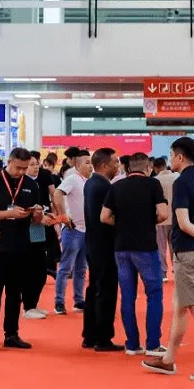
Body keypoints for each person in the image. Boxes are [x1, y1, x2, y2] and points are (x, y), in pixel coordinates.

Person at [141, 137, 194, 382]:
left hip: (188, 253)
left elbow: (184, 222)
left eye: (172, 155)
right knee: (180, 306)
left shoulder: (182, 183)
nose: (171, 159)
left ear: (180, 157)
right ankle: (168, 359)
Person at [101, 153, 168, 356]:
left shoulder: (116, 186)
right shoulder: (153, 184)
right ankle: (153, 344)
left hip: (121, 247)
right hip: (146, 247)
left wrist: (121, 224)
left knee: (127, 296)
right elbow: (163, 213)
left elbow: (104, 217)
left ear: (128, 168)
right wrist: (148, 222)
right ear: (148, 168)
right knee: (154, 294)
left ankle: (132, 344)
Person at [0, 148, 43, 352]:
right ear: (9, 162)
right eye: (18, 168)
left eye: (25, 168)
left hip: (22, 247)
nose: (21, 172)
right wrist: (9, 214)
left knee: (15, 294)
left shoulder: (31, 185)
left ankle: (12, 334)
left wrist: (37, 214)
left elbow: (37, 220)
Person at [81, 148, 122, 351]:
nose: (118, 166)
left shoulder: (91, 183)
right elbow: (107, 217)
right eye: (115, 162)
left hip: (93, 244)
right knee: (105, 290)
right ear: (105, 165)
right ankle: (103, 338)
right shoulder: (104, 187)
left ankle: (90, 335)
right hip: (105, 245)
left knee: (94, 289)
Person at [53, 150, 93, 315]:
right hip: (73, 230)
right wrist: (63, 215)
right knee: (65, 268)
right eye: (87, 163)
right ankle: (59, 302)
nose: (90, 166)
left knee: (81, 268)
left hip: (86, 230)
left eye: (91, 162)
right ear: (77, 165)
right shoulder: (72, 179)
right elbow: (57, 193)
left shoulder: (88, 181)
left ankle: (79, 300)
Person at [21, 152, 51, 320]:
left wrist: (45, 215)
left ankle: (33, 303)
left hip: (39, 230)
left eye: (36, 164)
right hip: (27, 232)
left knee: (40, 270)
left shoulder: (36, 183)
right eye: (31, 164)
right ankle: (28, 306)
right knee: (31, 271)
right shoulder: (22, 184)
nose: (35, 167)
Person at [153, 157, 178, 280]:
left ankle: (163, 272)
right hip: (176, 218)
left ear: (155, 168)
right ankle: (177, 269)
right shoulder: (177, 177)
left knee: (160, 248)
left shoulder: (155, 181)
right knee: (175, 246)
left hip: (160, 219)